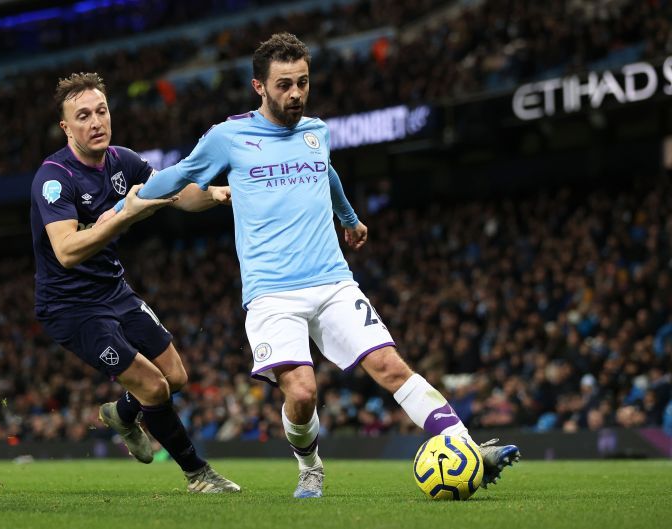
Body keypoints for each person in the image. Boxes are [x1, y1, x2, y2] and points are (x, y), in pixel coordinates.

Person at [112, 33, 519, 498]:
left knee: (390, 365)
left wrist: (349, 218)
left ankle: (466, 447)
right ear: (258, 87)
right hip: (270, 292)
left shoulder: (316, 131)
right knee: (302, 393)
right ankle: (310, 466)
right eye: (284, 85)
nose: (296, 94)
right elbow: (182, 173)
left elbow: (326, 170)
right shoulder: (230, 136)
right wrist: (134, 201)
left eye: (302, 83)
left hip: (332, 281)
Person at [30, 72, 239, 494]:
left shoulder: (123, 160)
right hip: (71, 307)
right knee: (152, 385)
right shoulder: (54, 179)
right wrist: (123, 215)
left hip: (114, 290)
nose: (95, 122)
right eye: (83, 116)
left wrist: (215, 193)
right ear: (66, 128)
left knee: (176, 377)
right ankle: (198, 474)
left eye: (101, 111)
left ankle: (123, 415)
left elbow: (177, 193)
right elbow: (67, 251)